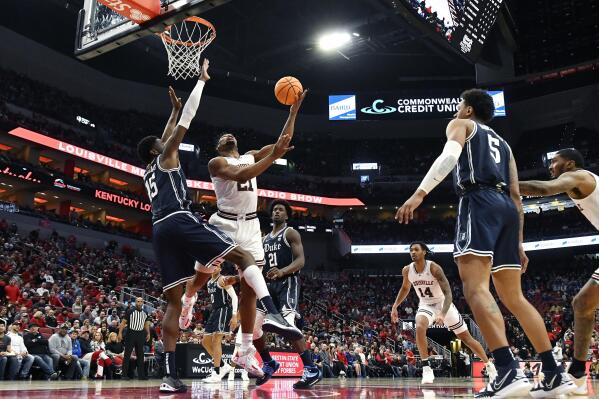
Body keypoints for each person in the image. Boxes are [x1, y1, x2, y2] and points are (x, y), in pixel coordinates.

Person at [396, 89, 575, 398]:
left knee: (475, 288)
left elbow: (449, 157)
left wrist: (420, 193)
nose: (455, 111)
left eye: (458, 106)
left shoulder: (462, 125)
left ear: (468, 110)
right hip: (506, 209)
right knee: (514, 297)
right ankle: (554, 373)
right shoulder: (505, 146)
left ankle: (507, 370)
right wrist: (519, 243)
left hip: (478, 202)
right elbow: (517, 196)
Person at [136, 60, 298, 393]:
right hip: (182, 219)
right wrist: (200, 82)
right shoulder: (170, 157)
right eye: (162, 141)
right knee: (244, 260)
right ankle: (274, 313)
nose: (168, 141)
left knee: (172, 301)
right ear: (157, 148)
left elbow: (167, 134)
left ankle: (169, 376)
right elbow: (184, 123)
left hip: (159, 228)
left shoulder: (149, 169)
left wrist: (171, 113)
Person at [519, 148, 599, 395]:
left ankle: (575, 375)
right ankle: (576, 374)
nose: (550, 166)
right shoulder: (582, 182)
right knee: (583, 303)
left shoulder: (578, 177)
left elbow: (543, 189)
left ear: (570, 163)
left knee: (583, 303)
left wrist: (502, 183)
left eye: (555, 162)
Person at [390, 242, 496, 384]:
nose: (412, 252)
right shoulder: (407, 270)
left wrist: (442, 314)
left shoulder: (434, 268)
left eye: (416, 249)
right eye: (411, 250)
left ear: (424, 252)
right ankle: (427, 369)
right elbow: (405, 288)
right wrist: (395, 306)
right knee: (420, 326)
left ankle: (489, 365)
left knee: (466, 338)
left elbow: (448, 293)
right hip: (426, 304)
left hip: (443, 303)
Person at [252, 199, 321, 389]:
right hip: (267, 286)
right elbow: (259, 265)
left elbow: (301, 261)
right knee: (254, 328)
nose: (277, 212)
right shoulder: (264, 239)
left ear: (287, 215)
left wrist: (282, 271)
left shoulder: (290, 233)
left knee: (288, 327)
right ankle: (269, 362)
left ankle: (310, 368)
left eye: (281, 210)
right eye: (274, 209)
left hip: (287, 283)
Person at [200, 265, 238, 383]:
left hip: (224, 310)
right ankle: (222, 364)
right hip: (214, 311)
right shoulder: (209, 282)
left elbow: (235, 297)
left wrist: (234, 315)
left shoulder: (222, 280)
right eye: (212, 266)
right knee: (205, 342)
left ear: (221, 269)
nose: (214, 268)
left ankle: (216, 373)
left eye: (217, 266)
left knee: (216, 341)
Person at [118, 297, 149, 380]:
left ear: (143, 303)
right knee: (127, 354)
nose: (139, 303)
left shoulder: (145, 312)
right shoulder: (130, 311)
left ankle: (141, 375)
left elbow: (146, 324)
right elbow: (123, 322)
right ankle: (124, 375)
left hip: (140, 334)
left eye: (141, 301)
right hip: (130, 333)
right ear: (135, 302)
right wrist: (120, 333)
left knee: (140, 355)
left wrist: (148, 333)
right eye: (138, 301)